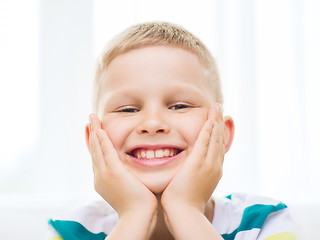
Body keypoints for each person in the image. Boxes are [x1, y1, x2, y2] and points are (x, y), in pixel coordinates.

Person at [47, 22, 297, 240]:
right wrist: (135, 216)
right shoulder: (69, 231)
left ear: (223, 133)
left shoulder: (263, 222)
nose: (153, 123)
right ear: (93, 139)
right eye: (127, 109)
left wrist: (186, 210)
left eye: (179, 106)